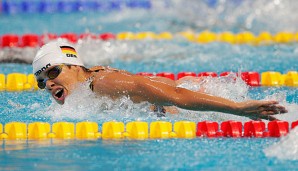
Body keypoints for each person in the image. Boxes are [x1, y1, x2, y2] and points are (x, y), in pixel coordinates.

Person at [32, 40, 287, 120]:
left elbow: (174, 96)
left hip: (191, 102)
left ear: (76, 67)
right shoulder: (92, 78)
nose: (50, 84)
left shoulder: (102, 84)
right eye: (42, 81)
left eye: (53, 72)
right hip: (186, 97)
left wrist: (238, 109)